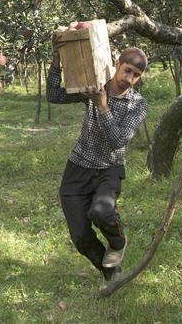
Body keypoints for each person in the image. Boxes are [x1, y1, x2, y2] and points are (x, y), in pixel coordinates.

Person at [47, 37, 148, 282]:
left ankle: (118, 241)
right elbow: (54, 95)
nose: (129, 79)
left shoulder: (138, 105)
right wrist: (57, 59)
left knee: (101, 212)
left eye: (136, 76)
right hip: (78, 166)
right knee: (80, 236)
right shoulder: (94, 86)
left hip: (109, 168)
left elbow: (118, 141)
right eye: (127, 71)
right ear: (117, 63)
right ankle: (110, 273)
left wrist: (102, 106)